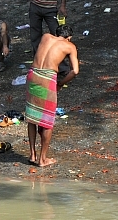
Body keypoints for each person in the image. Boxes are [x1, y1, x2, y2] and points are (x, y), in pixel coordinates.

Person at [26, 25, 79, 167]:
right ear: (69, 38)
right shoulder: (70, 46)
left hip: (33, 74)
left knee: (32, 117)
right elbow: (75, 71)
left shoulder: (45, 36)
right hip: (47, 79)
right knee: (47, 121)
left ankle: (32, 154)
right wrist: (61, 84)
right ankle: (42, 159)